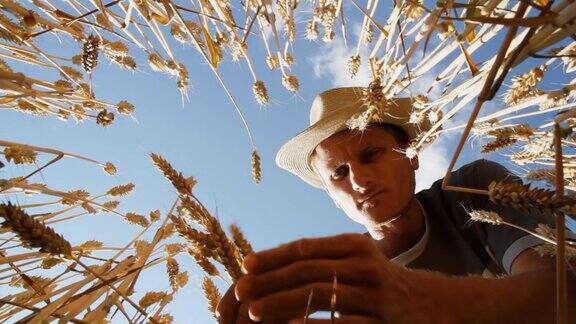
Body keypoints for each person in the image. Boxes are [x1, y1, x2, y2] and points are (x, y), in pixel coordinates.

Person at [217, 87, 575, 323]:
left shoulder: (476, 190)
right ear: (329, 194)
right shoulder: (355, 294)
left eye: (371, 154)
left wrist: (420, 299)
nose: (359, 181)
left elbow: (565, 291)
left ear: (412, 156)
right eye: (339, 174)